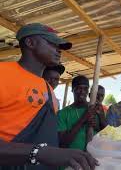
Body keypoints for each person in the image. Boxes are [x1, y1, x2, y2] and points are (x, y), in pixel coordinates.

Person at [0, 23, 97, 170]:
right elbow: (44, 151)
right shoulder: (3, 74)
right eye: (52, 43)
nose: (58, 50)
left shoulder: (49, 91)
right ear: (30, 42)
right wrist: (39, 152)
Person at [57, 75, 103, 153]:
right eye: (78, 88)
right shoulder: (63, 113)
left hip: (93, 158)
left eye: (85, 89)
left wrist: (98, 124)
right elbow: (63, 143)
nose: (82, 92)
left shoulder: (95, 109)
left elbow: (105, 133)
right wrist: (83, 119)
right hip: (71, 160)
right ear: (72, 90)